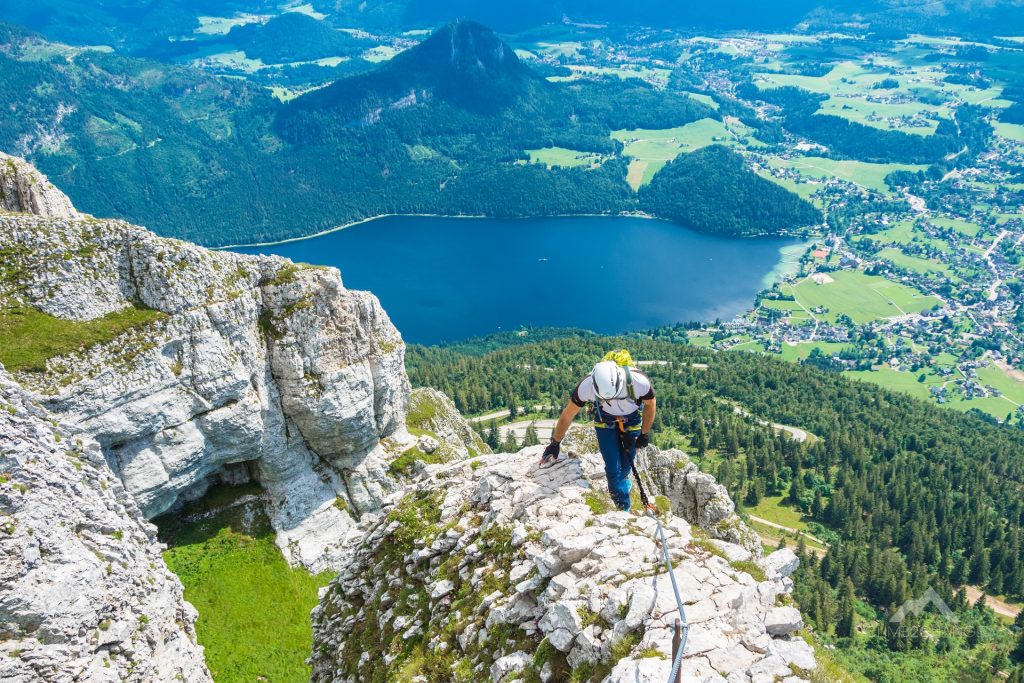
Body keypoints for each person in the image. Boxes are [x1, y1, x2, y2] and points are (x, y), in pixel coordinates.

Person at [540, 350, 656, 511]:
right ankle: (623, 509)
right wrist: (555, 443)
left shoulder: (638, 381)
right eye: (604, 398)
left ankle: (622, 482)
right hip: (604, 420)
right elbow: (568, 415)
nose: (608, 400)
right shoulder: (586, 386)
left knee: (627, 462)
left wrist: (644, 434)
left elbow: (650, 405)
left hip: (631, 421)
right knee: (612, 468)